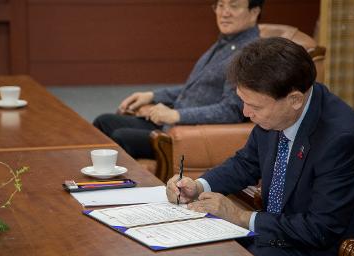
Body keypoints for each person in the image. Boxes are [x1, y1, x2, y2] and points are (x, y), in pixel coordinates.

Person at [166, 37, 354, 256]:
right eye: (243, 102)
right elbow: (246, 163)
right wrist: (197, 187)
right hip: (282, 234)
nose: (246, 113)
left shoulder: (342, 140)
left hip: (331, 250)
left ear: (295, 99)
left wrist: (240, 217)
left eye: (255, 106)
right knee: (200, 246)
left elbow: (319, 229)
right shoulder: (279, 113)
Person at [93, 0, 264, 159]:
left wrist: (175, 114)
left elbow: (231, 110)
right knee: (104, 122)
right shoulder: (226, 42)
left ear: (254, 11)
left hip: (189, 133)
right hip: (173, 124)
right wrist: (152, 96)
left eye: (233, 6)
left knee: (121, 138)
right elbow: (195, 87)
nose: (224, 12)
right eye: (220, 5)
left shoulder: (249, 53)